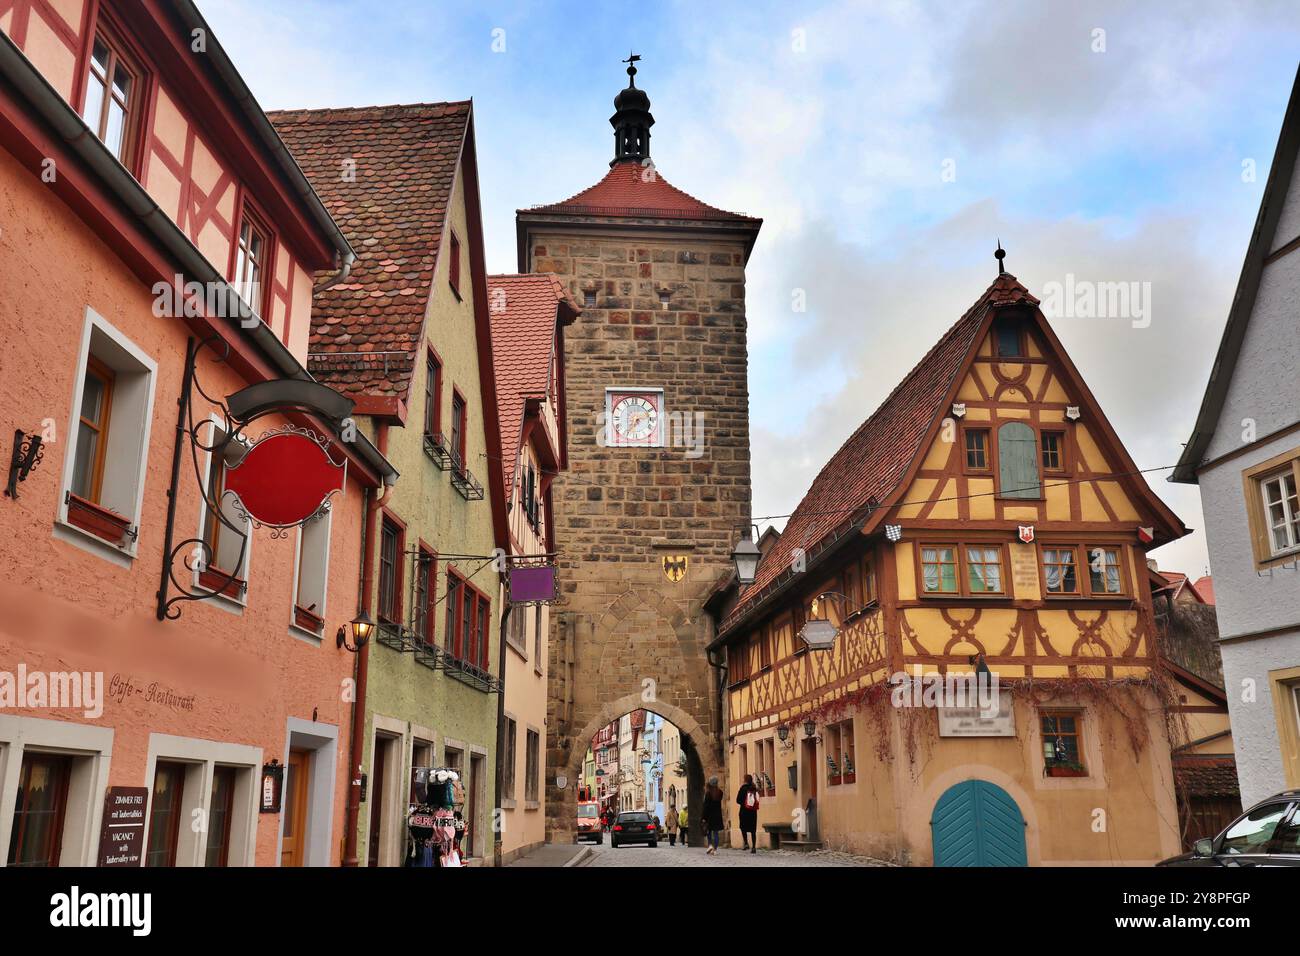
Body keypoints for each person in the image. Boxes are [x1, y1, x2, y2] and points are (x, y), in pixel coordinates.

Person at [736, 774, 760, 853]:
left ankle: (746, 843)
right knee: (753, 830)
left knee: (743, 827)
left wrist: (744, 802)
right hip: (753, 812)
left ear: (745, 780)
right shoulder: (754, 788)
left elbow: (738, 800)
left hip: (744, 811)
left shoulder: (743, 788)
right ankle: (753, 847)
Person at [702, 777, 724, 855]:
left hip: (709, 816)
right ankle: (715, 849)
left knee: (708, 832)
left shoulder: (708, 793)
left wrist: (704, 817)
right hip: (717, 815)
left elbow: (706, 806)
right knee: (716, 833)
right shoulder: (720, 792)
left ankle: (710, 845)